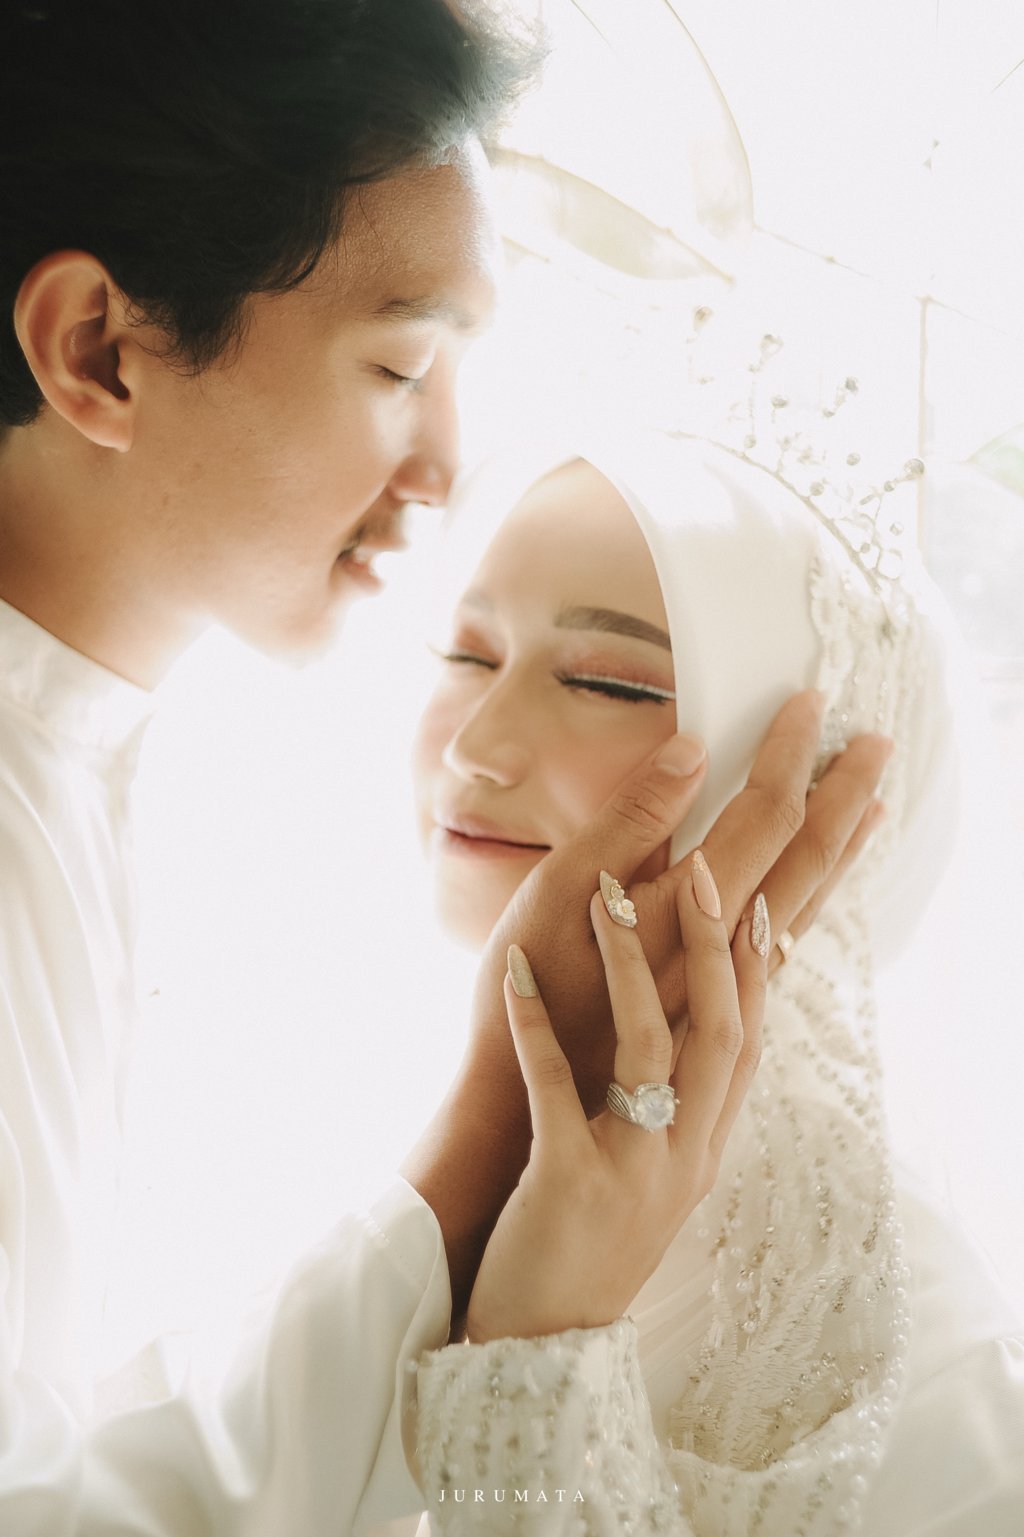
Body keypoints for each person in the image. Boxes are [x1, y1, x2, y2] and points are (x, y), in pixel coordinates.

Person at [0, 4, 889, 1531]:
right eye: (401, 365)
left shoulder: (108, 774)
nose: (446, 466)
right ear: (100, 349)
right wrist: (496, 1131)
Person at [409, 439, 1024, 1531]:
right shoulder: (365, 1139)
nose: (476, 748)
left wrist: (532, 1356)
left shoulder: (926, 1378)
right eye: (466, 654)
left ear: (798, 783)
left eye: (604, 681)